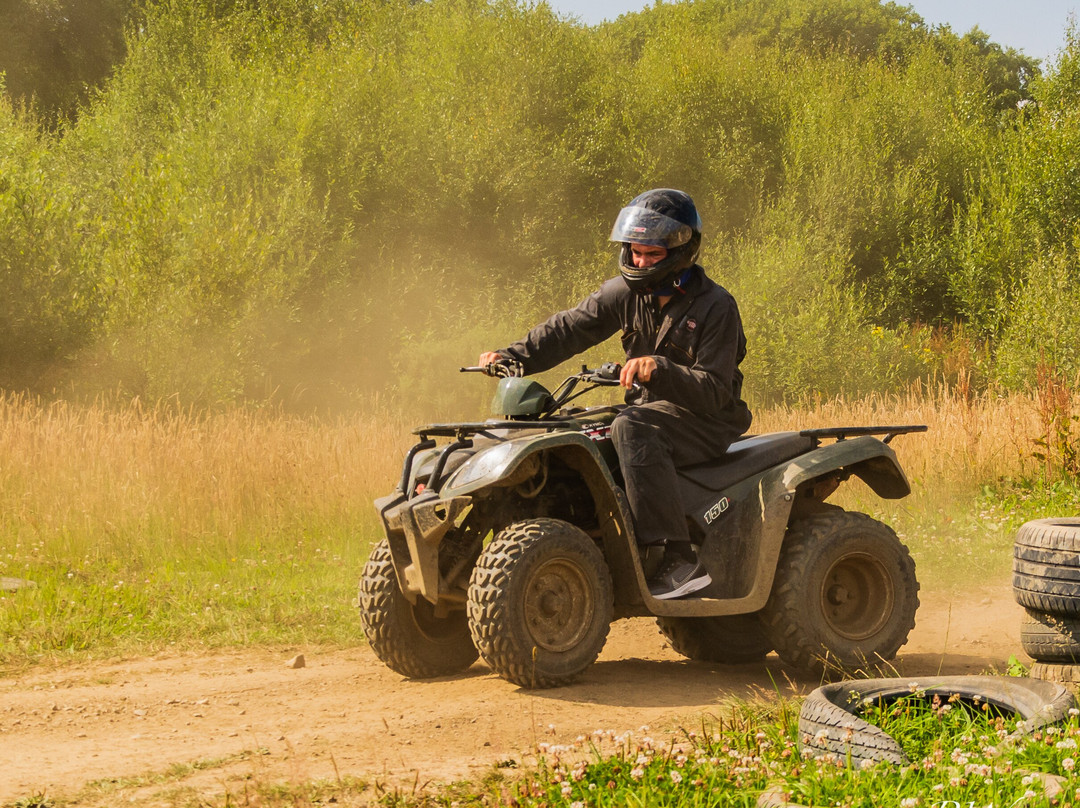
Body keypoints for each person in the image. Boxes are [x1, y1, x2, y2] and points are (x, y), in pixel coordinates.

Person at [478, 188, 752, 599]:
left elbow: (714, 391)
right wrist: (512, 355)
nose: (640, 262)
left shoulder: (717, 306)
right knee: (575, 432)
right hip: (650, 413)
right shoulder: (624, 293)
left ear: (681, 252)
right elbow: (568, 329)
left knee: (630, 427)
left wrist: (660, 369)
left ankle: (676, 559)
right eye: (635, 252)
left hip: (705, 420)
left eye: (652, 254)